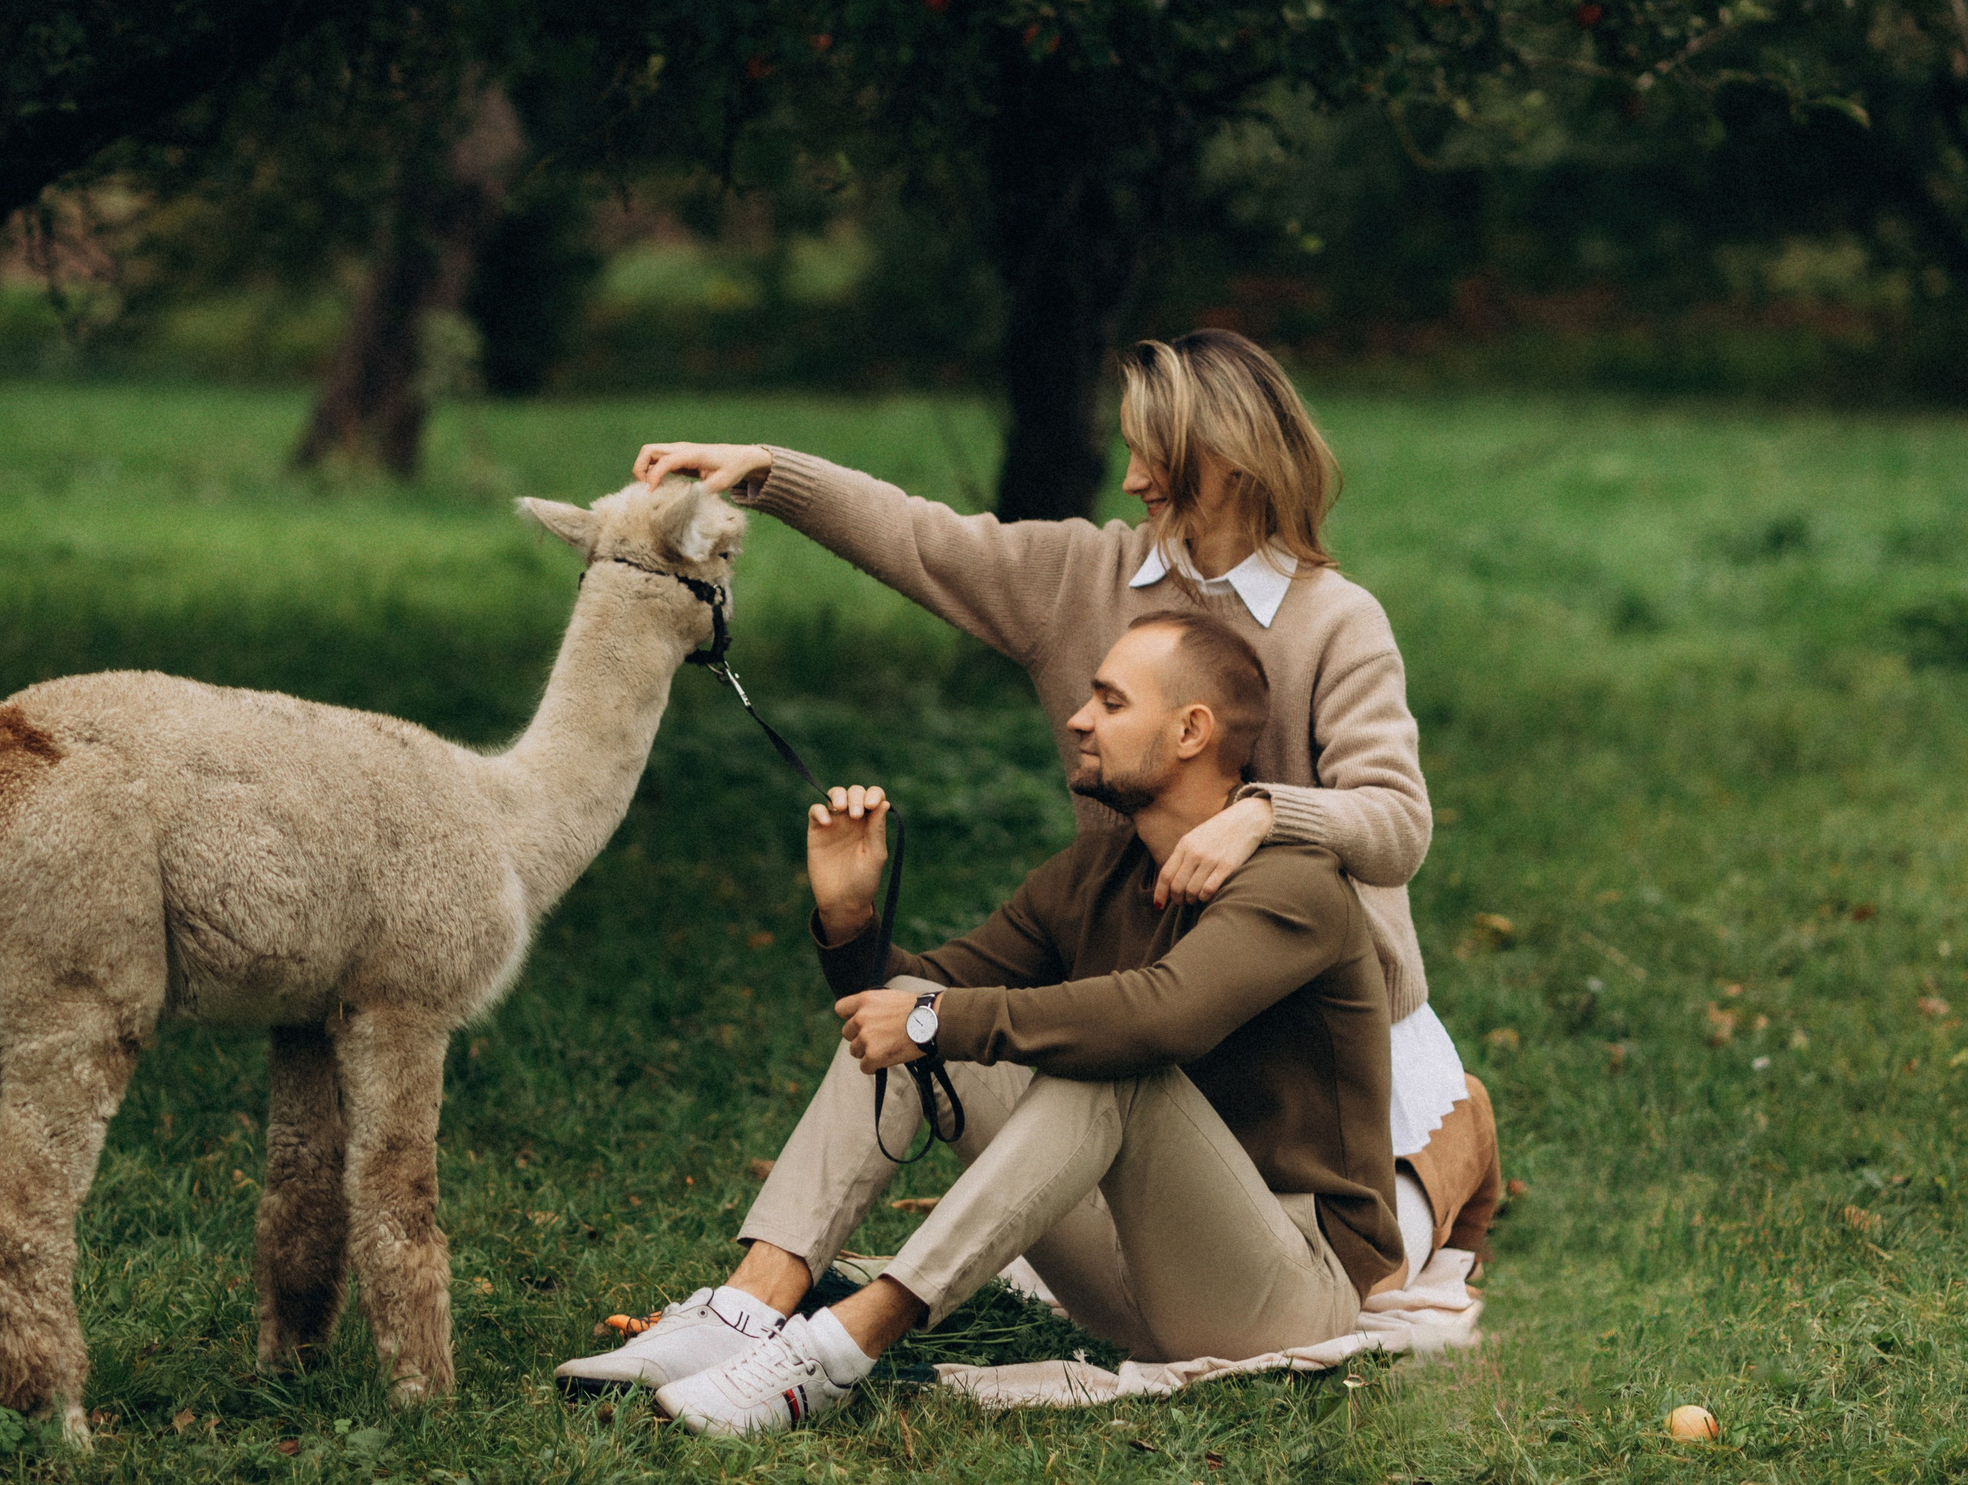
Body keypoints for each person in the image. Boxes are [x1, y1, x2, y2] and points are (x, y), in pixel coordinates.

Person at [630, 329, 1500, 1280]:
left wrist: (1262, 813)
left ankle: (1449, 1149)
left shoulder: (1338, 619)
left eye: (1153, 453)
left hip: (1315, 1032)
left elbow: (1398, 822)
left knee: (1362, 1270)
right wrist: (768, 471)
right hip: (1143, 984)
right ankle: (763, 1303)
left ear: (1229, 458)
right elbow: (923, 538)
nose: (1131, 479)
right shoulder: (1078, 577)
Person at [556, 613, 1399, 1433]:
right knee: (924, 1041)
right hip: (1131, 1263)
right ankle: (746, 1308)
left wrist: (930, 1016)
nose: (1077, 718)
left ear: (1190, 731)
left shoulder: (1297, 883)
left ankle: (837, 1349)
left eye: (1109, 702)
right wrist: (853, 924)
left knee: (1112, 1065)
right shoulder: (1096, 871)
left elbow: (1161, 1017)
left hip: (1290, 1285)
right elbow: (925, 1003)